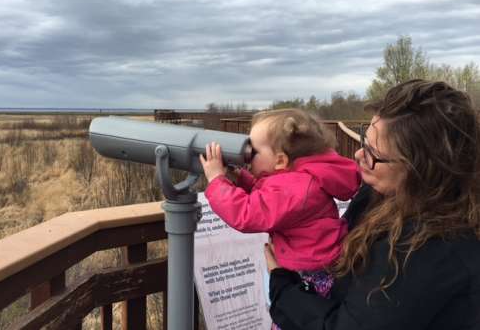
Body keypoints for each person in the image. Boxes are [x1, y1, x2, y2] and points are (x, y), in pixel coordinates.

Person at [265, 79, 480, 330]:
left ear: (418, 170)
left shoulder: (430, 250)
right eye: (363, 142)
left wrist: (281, 285)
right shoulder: (380, 194)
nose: (358, 155)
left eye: (373, 153)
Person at [199, 108, 361, 299]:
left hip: (309, 277)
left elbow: (248, 214)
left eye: (253, 152)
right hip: (314, 266)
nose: (246, 156)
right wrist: (239, 176)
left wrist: (217, 179)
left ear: (280, 160)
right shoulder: (299, 178)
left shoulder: (296, 187)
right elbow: (268, 196)